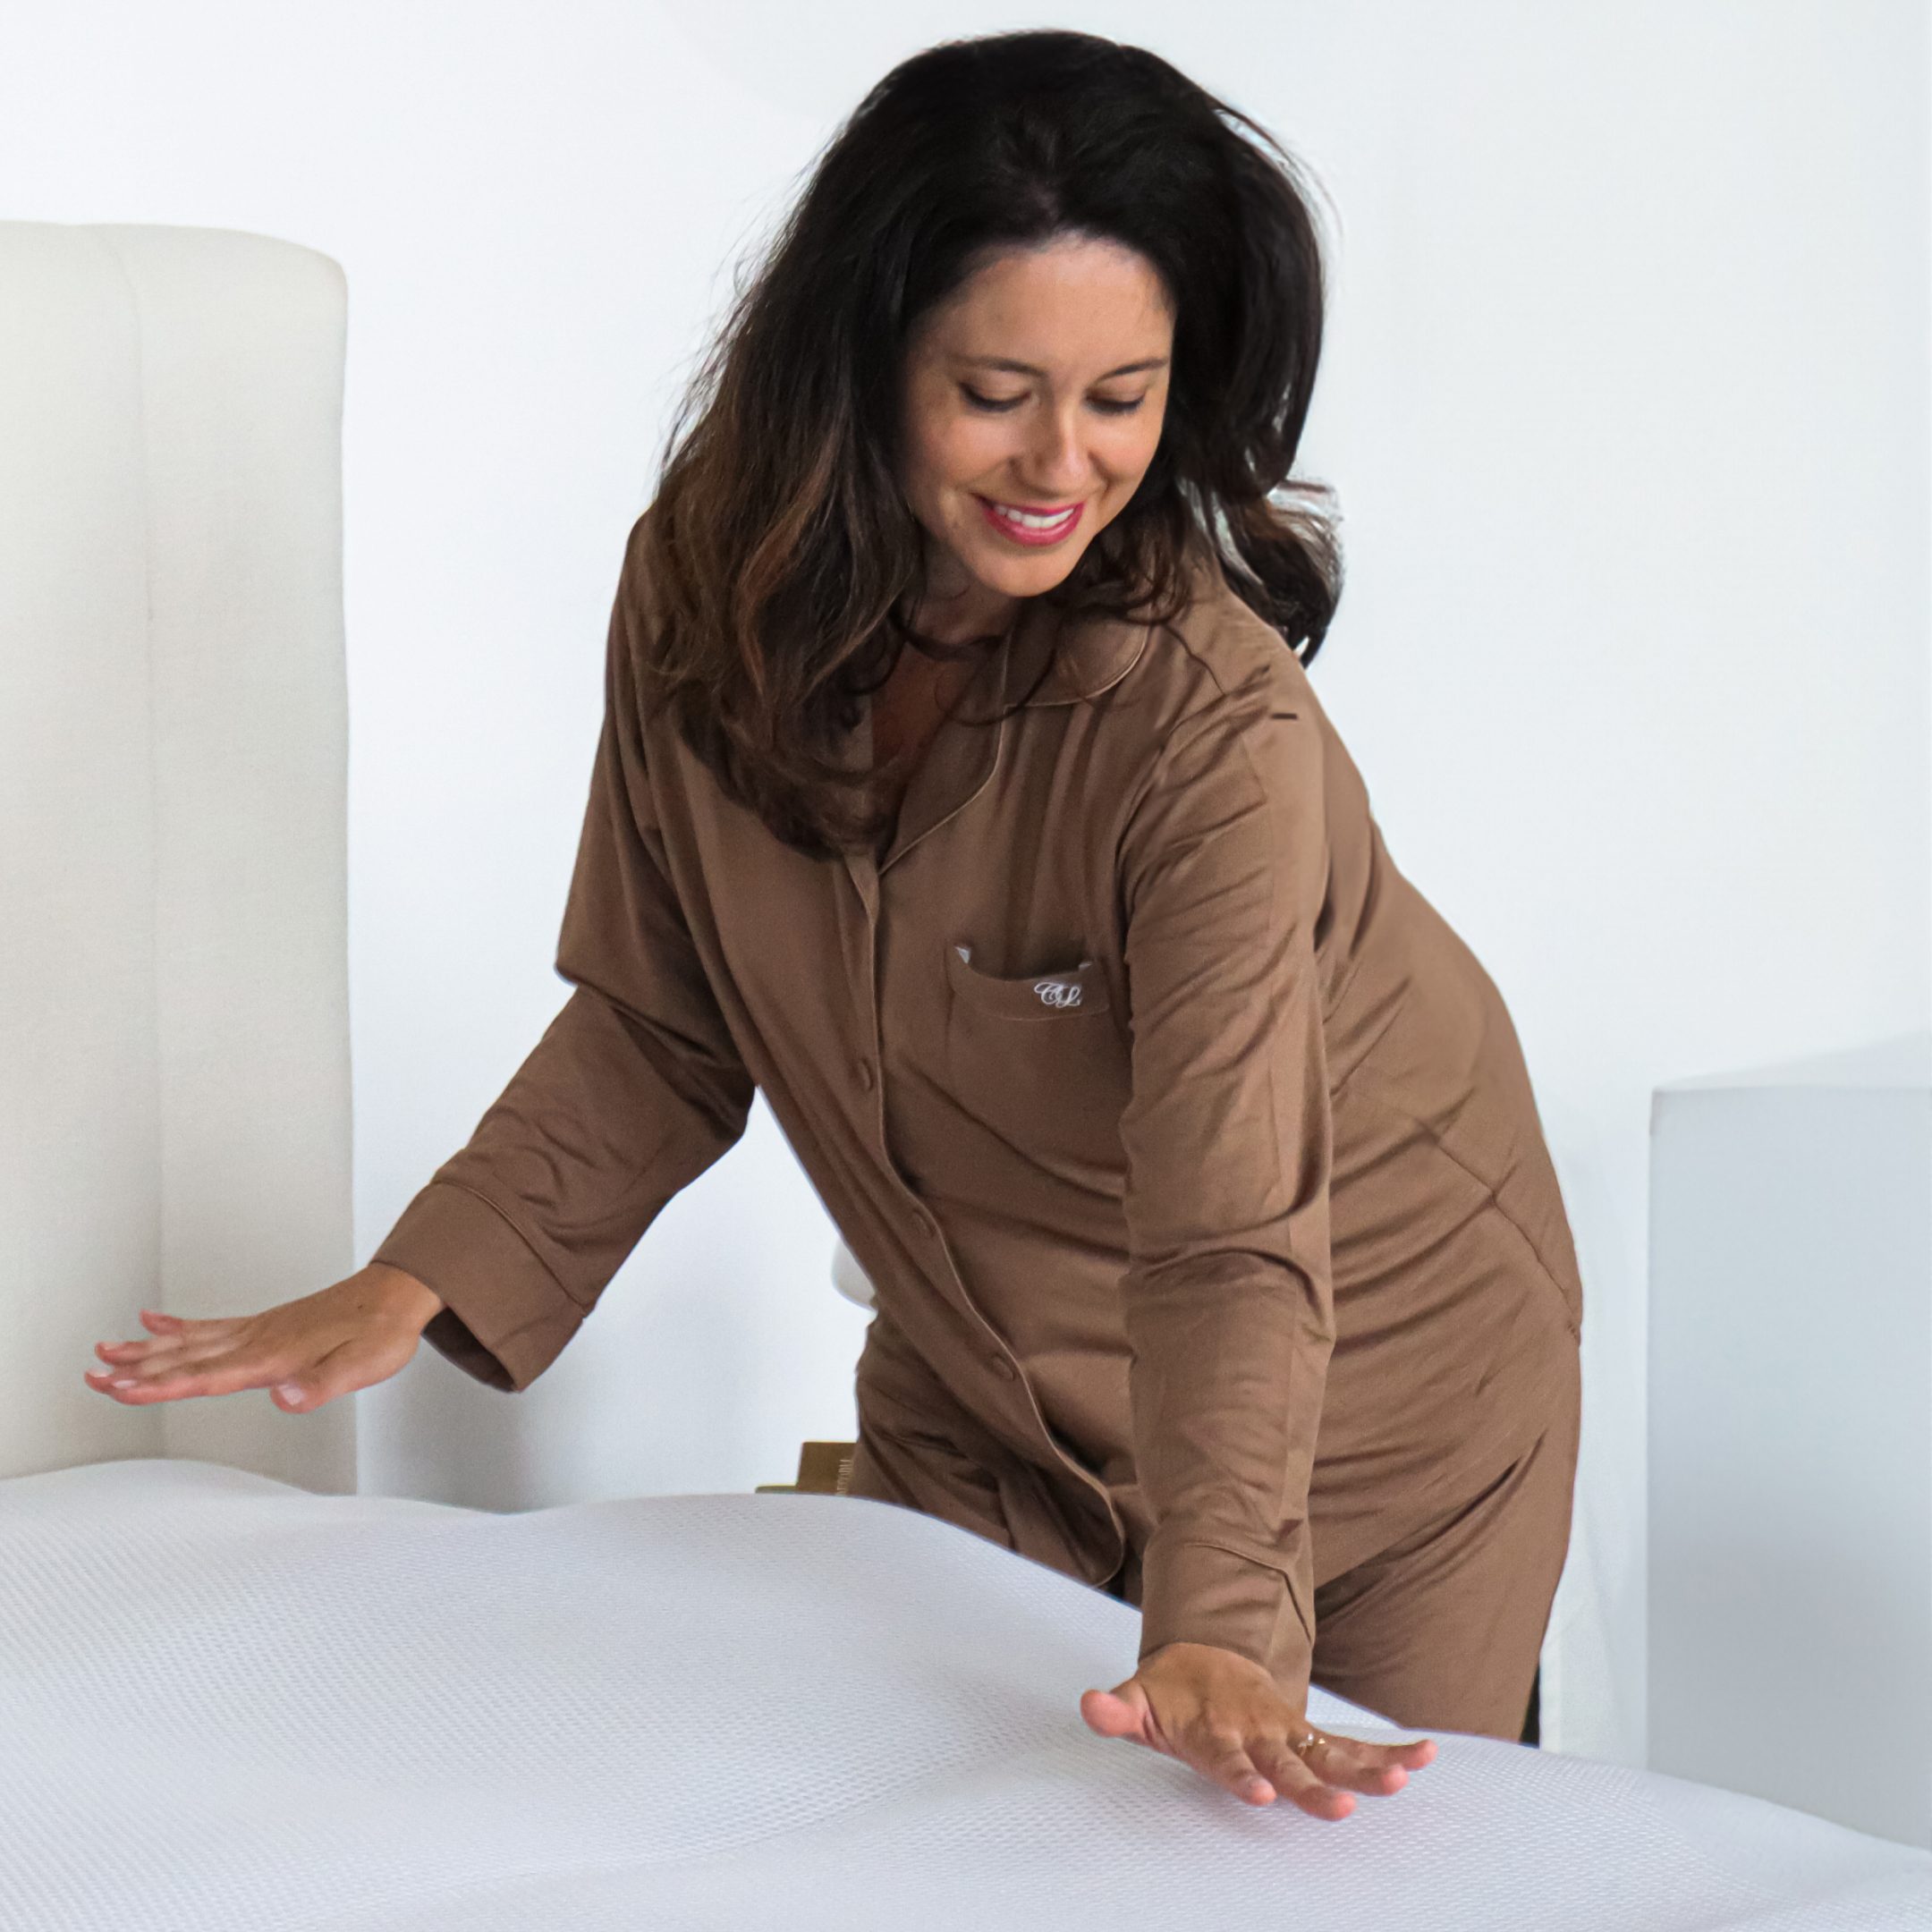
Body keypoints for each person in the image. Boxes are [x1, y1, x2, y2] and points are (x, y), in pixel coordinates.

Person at [88, 30, 1581, 1823]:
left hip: (1367, 1422)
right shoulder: (702, 601)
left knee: (1322, 1866)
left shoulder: (1211, 735)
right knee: (888, 1831)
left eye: (1124, 397)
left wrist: (1229, 1620)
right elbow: (669, 1019)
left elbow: (1229, 1228)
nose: (1062, 459)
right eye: (998, 387)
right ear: (867, 360)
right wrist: (420, 1278)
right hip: (982, 1390)